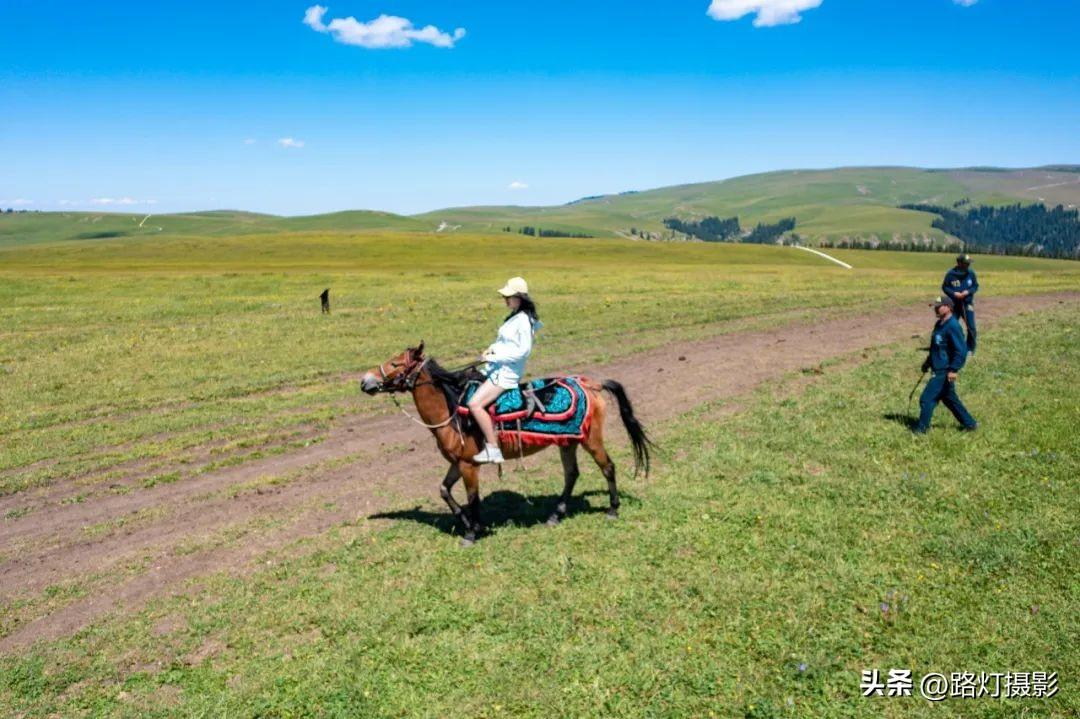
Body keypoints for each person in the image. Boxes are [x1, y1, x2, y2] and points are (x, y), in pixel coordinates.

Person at [468, 277, 542, 463]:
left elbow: (522, 352)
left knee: (474, 404)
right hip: (495, 368)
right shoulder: (515, 316)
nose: (505, 299)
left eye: (508, 296)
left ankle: (493, 448)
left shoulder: (524, 320)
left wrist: (494, 357)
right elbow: (504, 343)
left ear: (519, 297)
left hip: (505, 374)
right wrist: (489, 350)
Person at [914, 297, 977, 434]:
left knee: (926, 399)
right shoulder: (939, 324)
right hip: (937, 367)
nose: (936, 308)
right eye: (935, 306)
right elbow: (936, 347)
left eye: (939, 306)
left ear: (949, 307)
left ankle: (921, 430)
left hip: (944, 370)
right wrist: (928, 362)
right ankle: (970, 424)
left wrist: (953, 369)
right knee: (949, 399)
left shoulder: (953, 326)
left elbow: (960, 350)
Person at [942, 253, 978, 354]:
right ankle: (951, 346)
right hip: (954, 305)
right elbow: (945, 287)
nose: (968, 265)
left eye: (969, 263)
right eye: (966, 263)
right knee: (951, 325)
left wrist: (968, 292)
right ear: (959, 263)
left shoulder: (971, 273)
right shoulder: (950, 274)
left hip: (967, 304)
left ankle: (970, 348)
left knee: (971, 327)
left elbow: (975, 286)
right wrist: (954, 293)